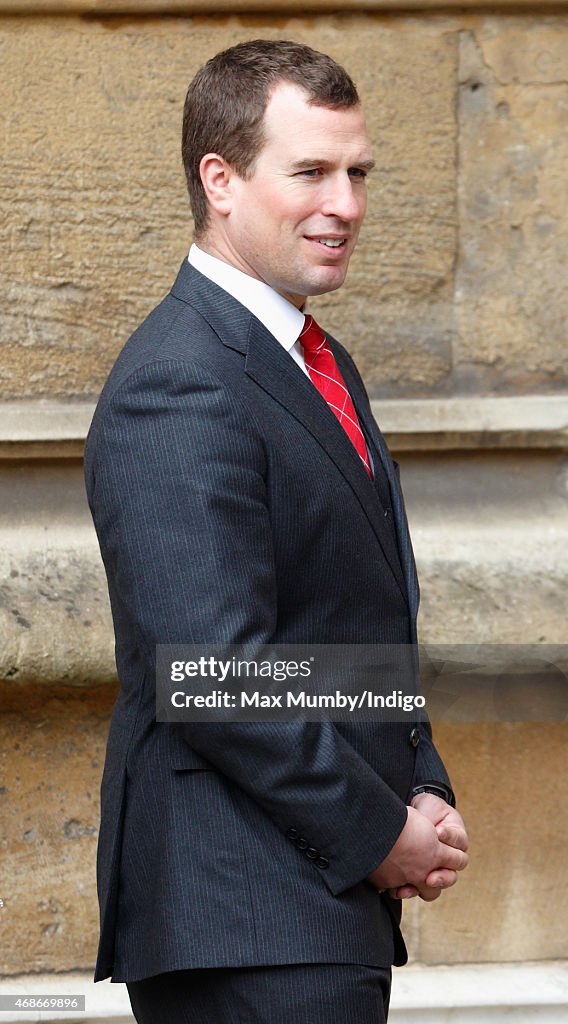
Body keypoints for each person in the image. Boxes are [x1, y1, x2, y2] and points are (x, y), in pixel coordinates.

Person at [84, 39, 469, 1024]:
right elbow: (212, 671)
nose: (345, 204)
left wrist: (417, 779)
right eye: (310, 172)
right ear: (220, 179)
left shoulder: (314, 357)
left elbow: (337, 631)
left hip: (310, 909)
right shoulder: (181, 378)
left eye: (358, 173)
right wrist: (379, 828)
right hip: (244, 918)